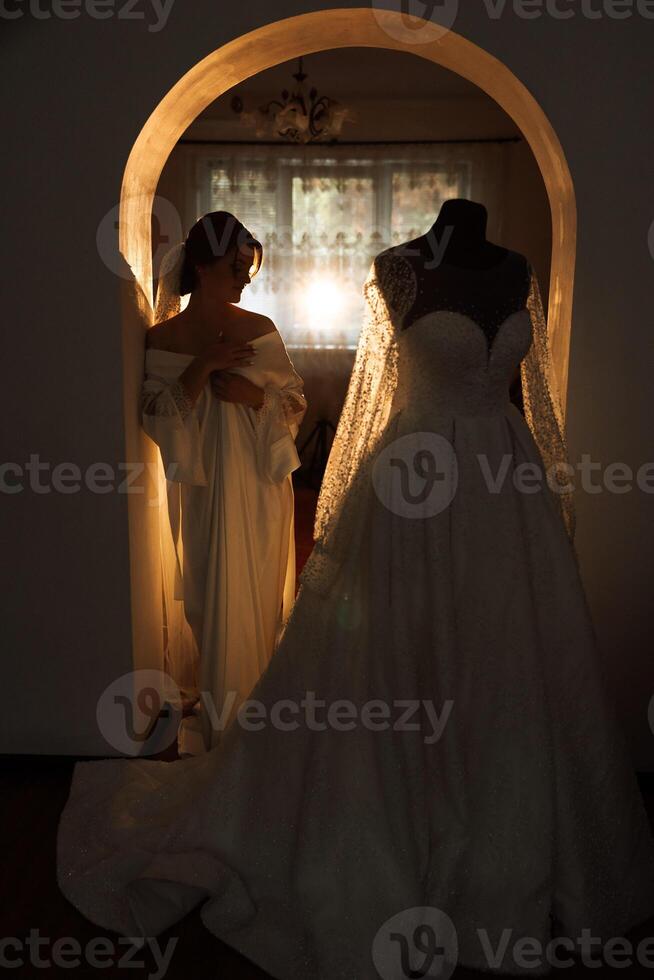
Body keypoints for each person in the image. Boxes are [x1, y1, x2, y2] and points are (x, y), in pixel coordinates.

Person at [57, 201, 654, 978]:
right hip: (411, 483)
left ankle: (513, 846)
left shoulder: (519, 275)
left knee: (507, 651)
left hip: (507, 486)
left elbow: (532, 394)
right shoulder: (395, 269)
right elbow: (374, 395)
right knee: (397, 651)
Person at [141, 211, 307, 752]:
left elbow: (295, 403)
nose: (243, 275)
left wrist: (255, 397)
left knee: (253, 596)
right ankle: (221, 727)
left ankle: (253, 721)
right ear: (200, 264)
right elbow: (157, 412)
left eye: (246, 265)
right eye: (233, 264)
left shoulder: (259, 330)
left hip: (258, 487)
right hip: (202, 490)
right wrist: (203, 365)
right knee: (208, 594)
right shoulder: (163, 337)